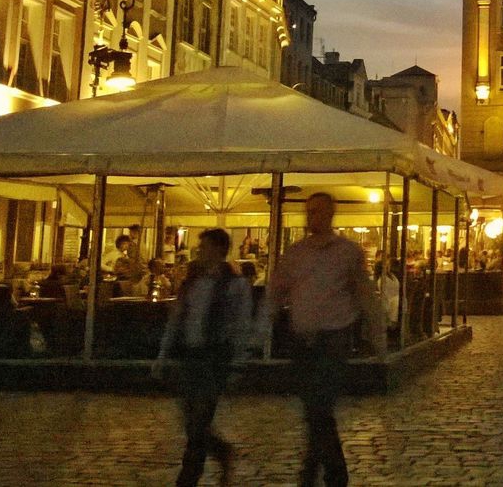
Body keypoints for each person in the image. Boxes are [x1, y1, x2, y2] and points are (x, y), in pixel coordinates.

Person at [263, 192, 386, 487]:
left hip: (334, 339)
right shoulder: (295, 253)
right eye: (309, 211)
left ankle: (322, 475)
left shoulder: (347, 252)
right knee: (315, 410)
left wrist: (377, 334)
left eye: (317, 211)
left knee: (320, 406)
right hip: (302, 341)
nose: (312, 216)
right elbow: (276, 292)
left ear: (331, 214)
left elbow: (365, 294)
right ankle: (328, 471)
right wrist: (260, 327)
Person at [155, 228, 252, 487]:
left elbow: (241, 325)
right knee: (191, 421)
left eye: (206, 247)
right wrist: (163, 355)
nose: (201, 252)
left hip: (214, 359)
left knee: (199, 422)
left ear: (220, 250)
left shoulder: (235, 285)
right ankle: (221, 452)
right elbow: (176, 320)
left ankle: (187, 478)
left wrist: (237, 363)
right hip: (191, 356)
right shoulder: (192, 283)